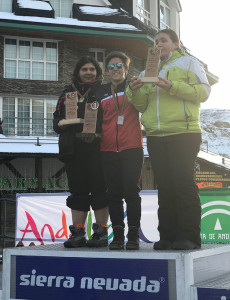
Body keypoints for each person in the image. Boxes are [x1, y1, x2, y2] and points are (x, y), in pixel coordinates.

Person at [127, 29, 211, 250]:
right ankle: (167, 236)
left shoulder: (189, 63)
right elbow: (141, 105)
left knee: (183, 184)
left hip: (184, 132)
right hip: (156, 135)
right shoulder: (148, 70)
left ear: (176, 43)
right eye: (156, 41)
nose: (158, 44)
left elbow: (203, 91)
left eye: (163, 40)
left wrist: (171, 86)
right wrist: (134, 90)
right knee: (165, 186)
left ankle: (190, 237)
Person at [53, 56, 109, 248]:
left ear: (97, 73)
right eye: (84, 69)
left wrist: (99, 132)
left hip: (98, 149)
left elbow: (110, 118)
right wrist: (59, 124)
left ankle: (101, 232)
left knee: (100, 191)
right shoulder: (67, 93)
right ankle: (78, 233)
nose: (88, 72)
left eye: (92, 69)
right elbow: (56, 120)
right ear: (78, 72)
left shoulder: (103, 92)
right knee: (78, 192)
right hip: (73, 150)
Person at [95, 51, 144, 250]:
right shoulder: (100, 92)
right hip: (107, 149)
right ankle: (117, 236)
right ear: (107, 71)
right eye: (111, 67)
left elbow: (144, 105)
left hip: (132, 147)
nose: (115, 70)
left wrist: (138, 88)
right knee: (113, 194)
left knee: (131, 192)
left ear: (126, 68)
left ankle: (133, 235)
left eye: (119, 66)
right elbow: (95, 120)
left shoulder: (134, 87)